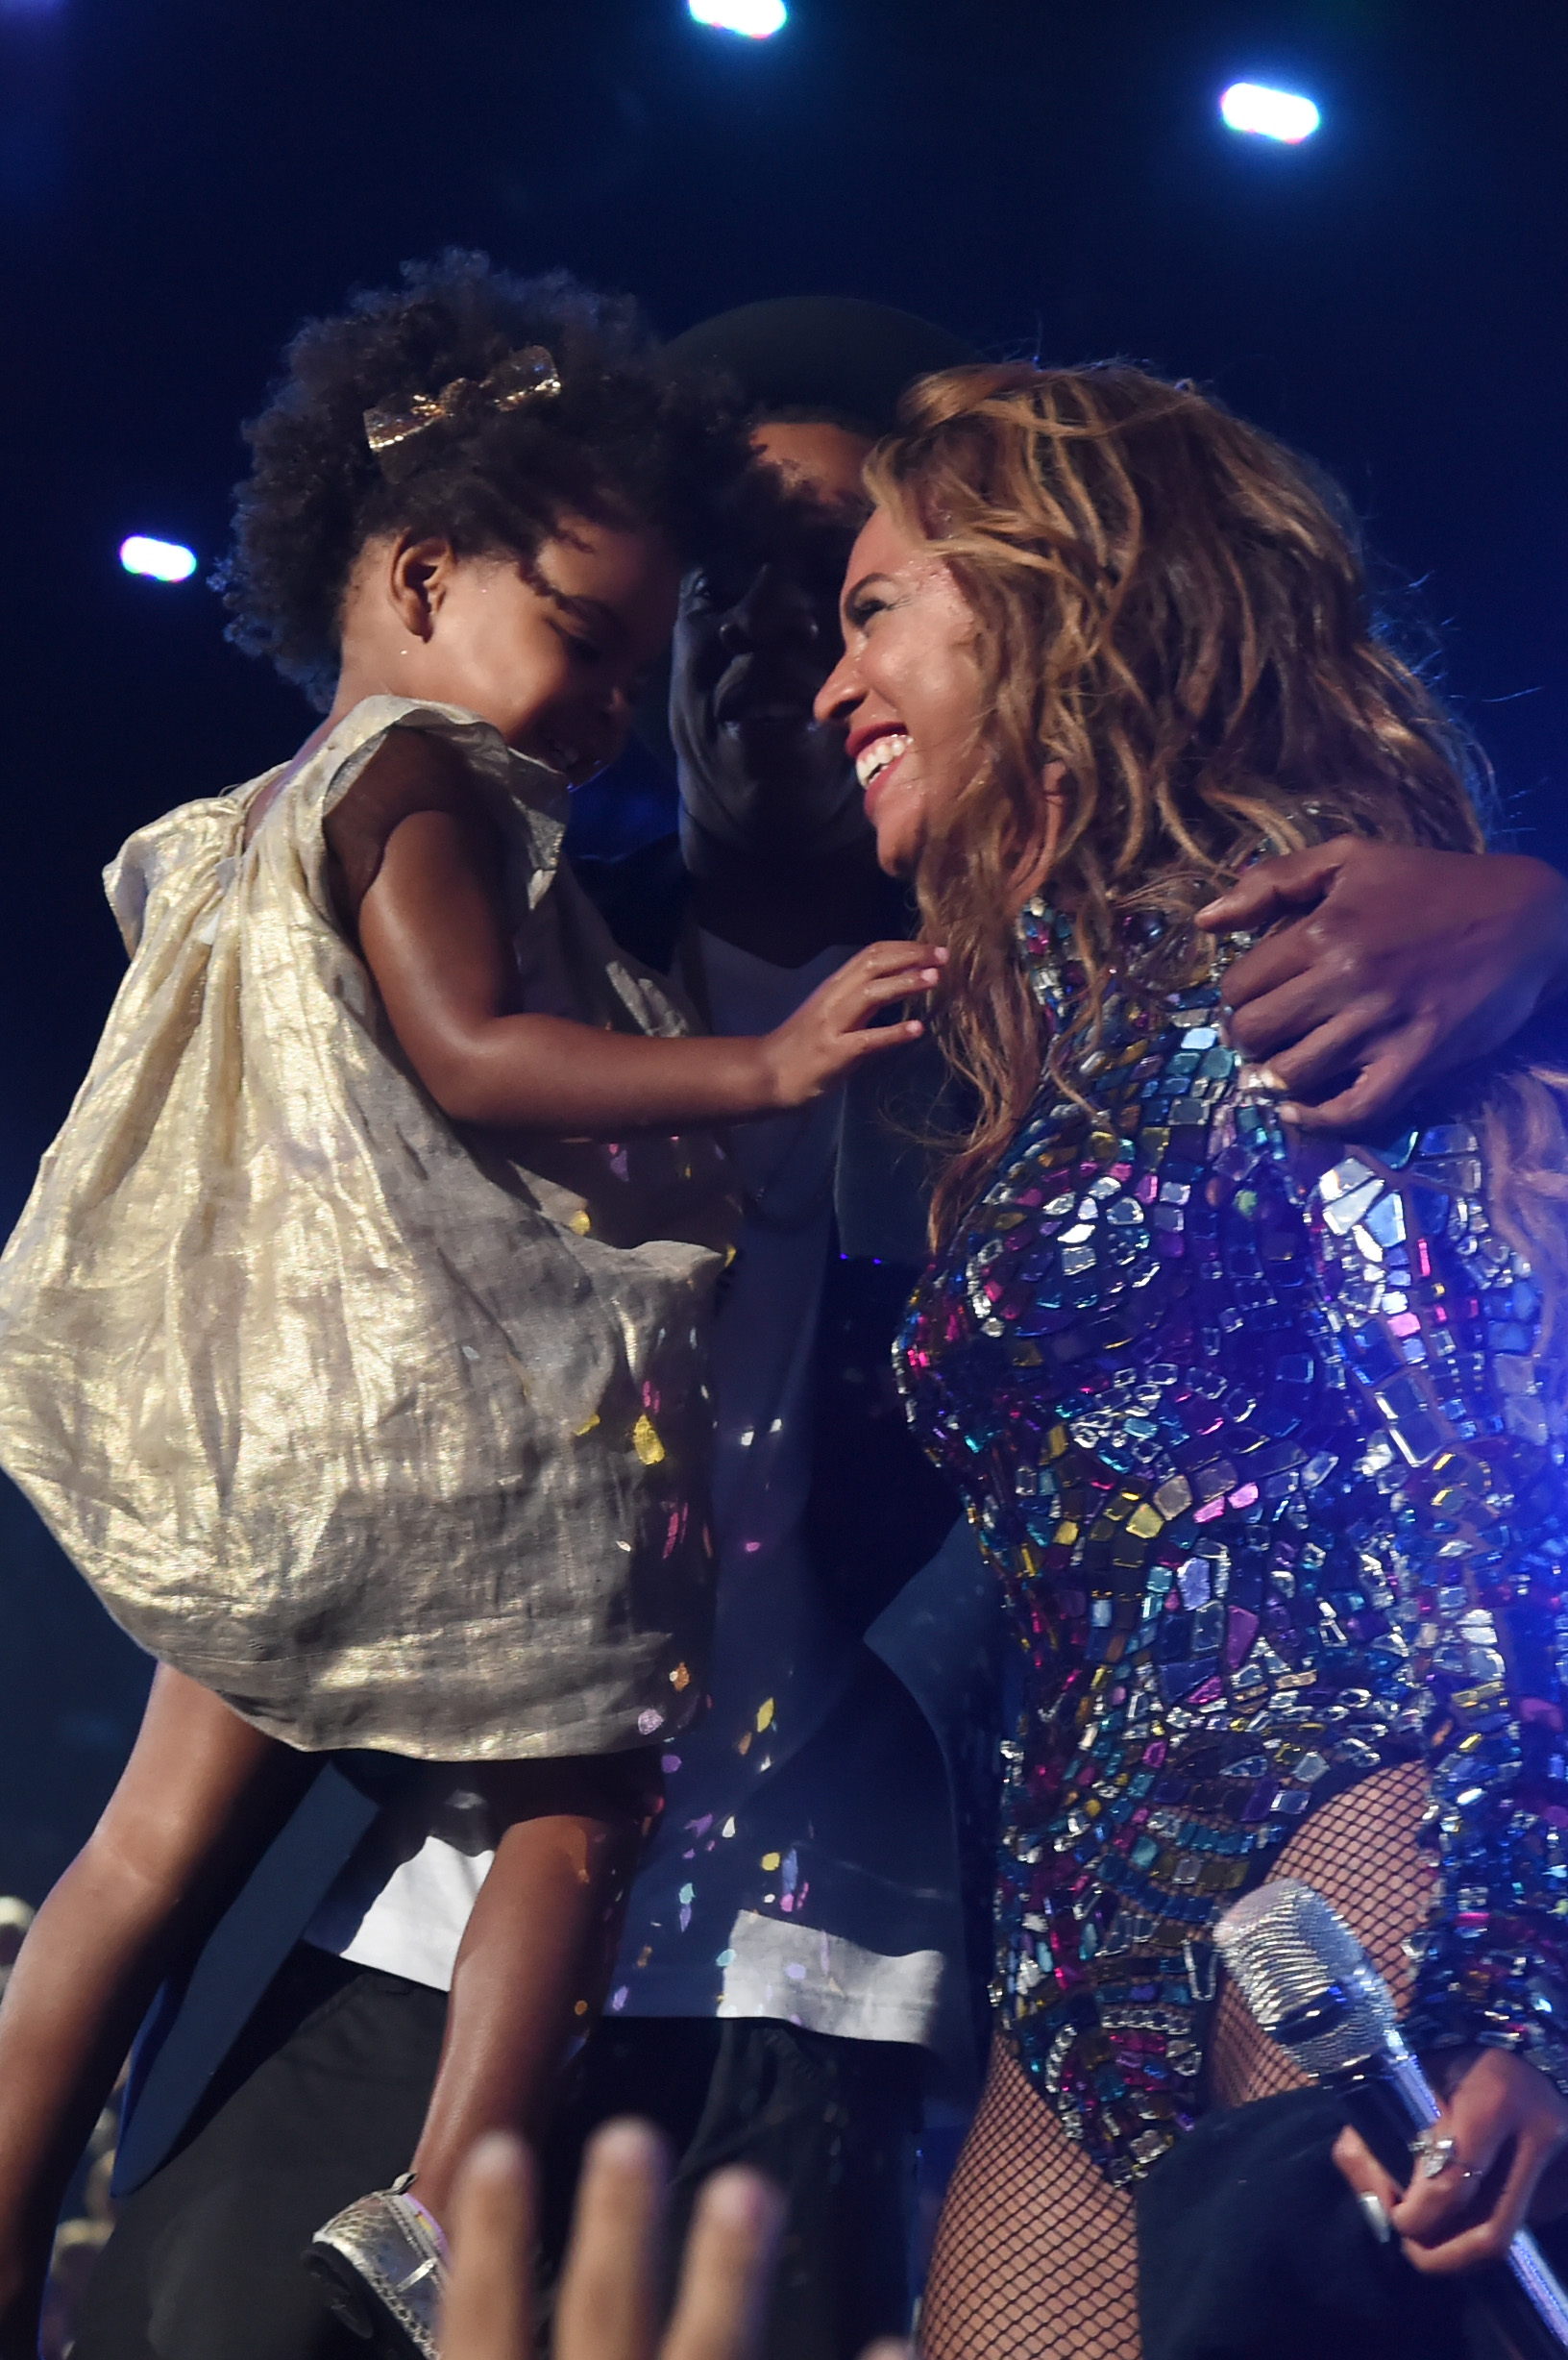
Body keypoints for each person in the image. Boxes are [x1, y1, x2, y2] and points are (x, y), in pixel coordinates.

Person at [0, 257, 941, 2360]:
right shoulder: (513, 939)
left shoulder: (1023, 1032)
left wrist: (1518, 927)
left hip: (820, 1972)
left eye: (847, 590)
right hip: (434, 1897)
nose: (774, 643)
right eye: (723, 587)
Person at [810, 357, 1568, 2359]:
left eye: (878, 607)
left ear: (1053, 603)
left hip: (1353, 1838)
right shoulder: (1044, 1057)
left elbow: (1497, 1494)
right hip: (1078, 1944)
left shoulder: (1317, 965)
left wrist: (1523, 1990)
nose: (833, 684)